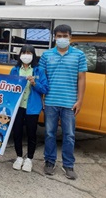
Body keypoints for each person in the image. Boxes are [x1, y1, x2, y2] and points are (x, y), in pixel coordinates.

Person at [39, 24, 87, 180]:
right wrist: (42, 100)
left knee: (69, 135)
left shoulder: (79, 55)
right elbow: (42, 78)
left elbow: (82, 79)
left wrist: (79, 101)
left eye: (65, 36)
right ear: (54, 37)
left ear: (70, 37)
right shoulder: (46, 55)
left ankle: (68, 165)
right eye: (59, 36)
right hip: (50, 102)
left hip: (69, 103)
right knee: (49, 134)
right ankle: (49, 161)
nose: (62, 39)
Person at [10, 44, 49, 172]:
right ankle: (19, 157)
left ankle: (29, 159)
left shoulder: (39, 70)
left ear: (33, 56)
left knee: (32, 134)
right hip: (18, 107)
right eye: (24, 52)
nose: (26, 55)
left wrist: (34, 83)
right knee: (17, 132)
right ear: (20, 55)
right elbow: (8, 87)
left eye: (29, 53)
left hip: (32, 107)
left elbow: (45, 88)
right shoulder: (15, 70)